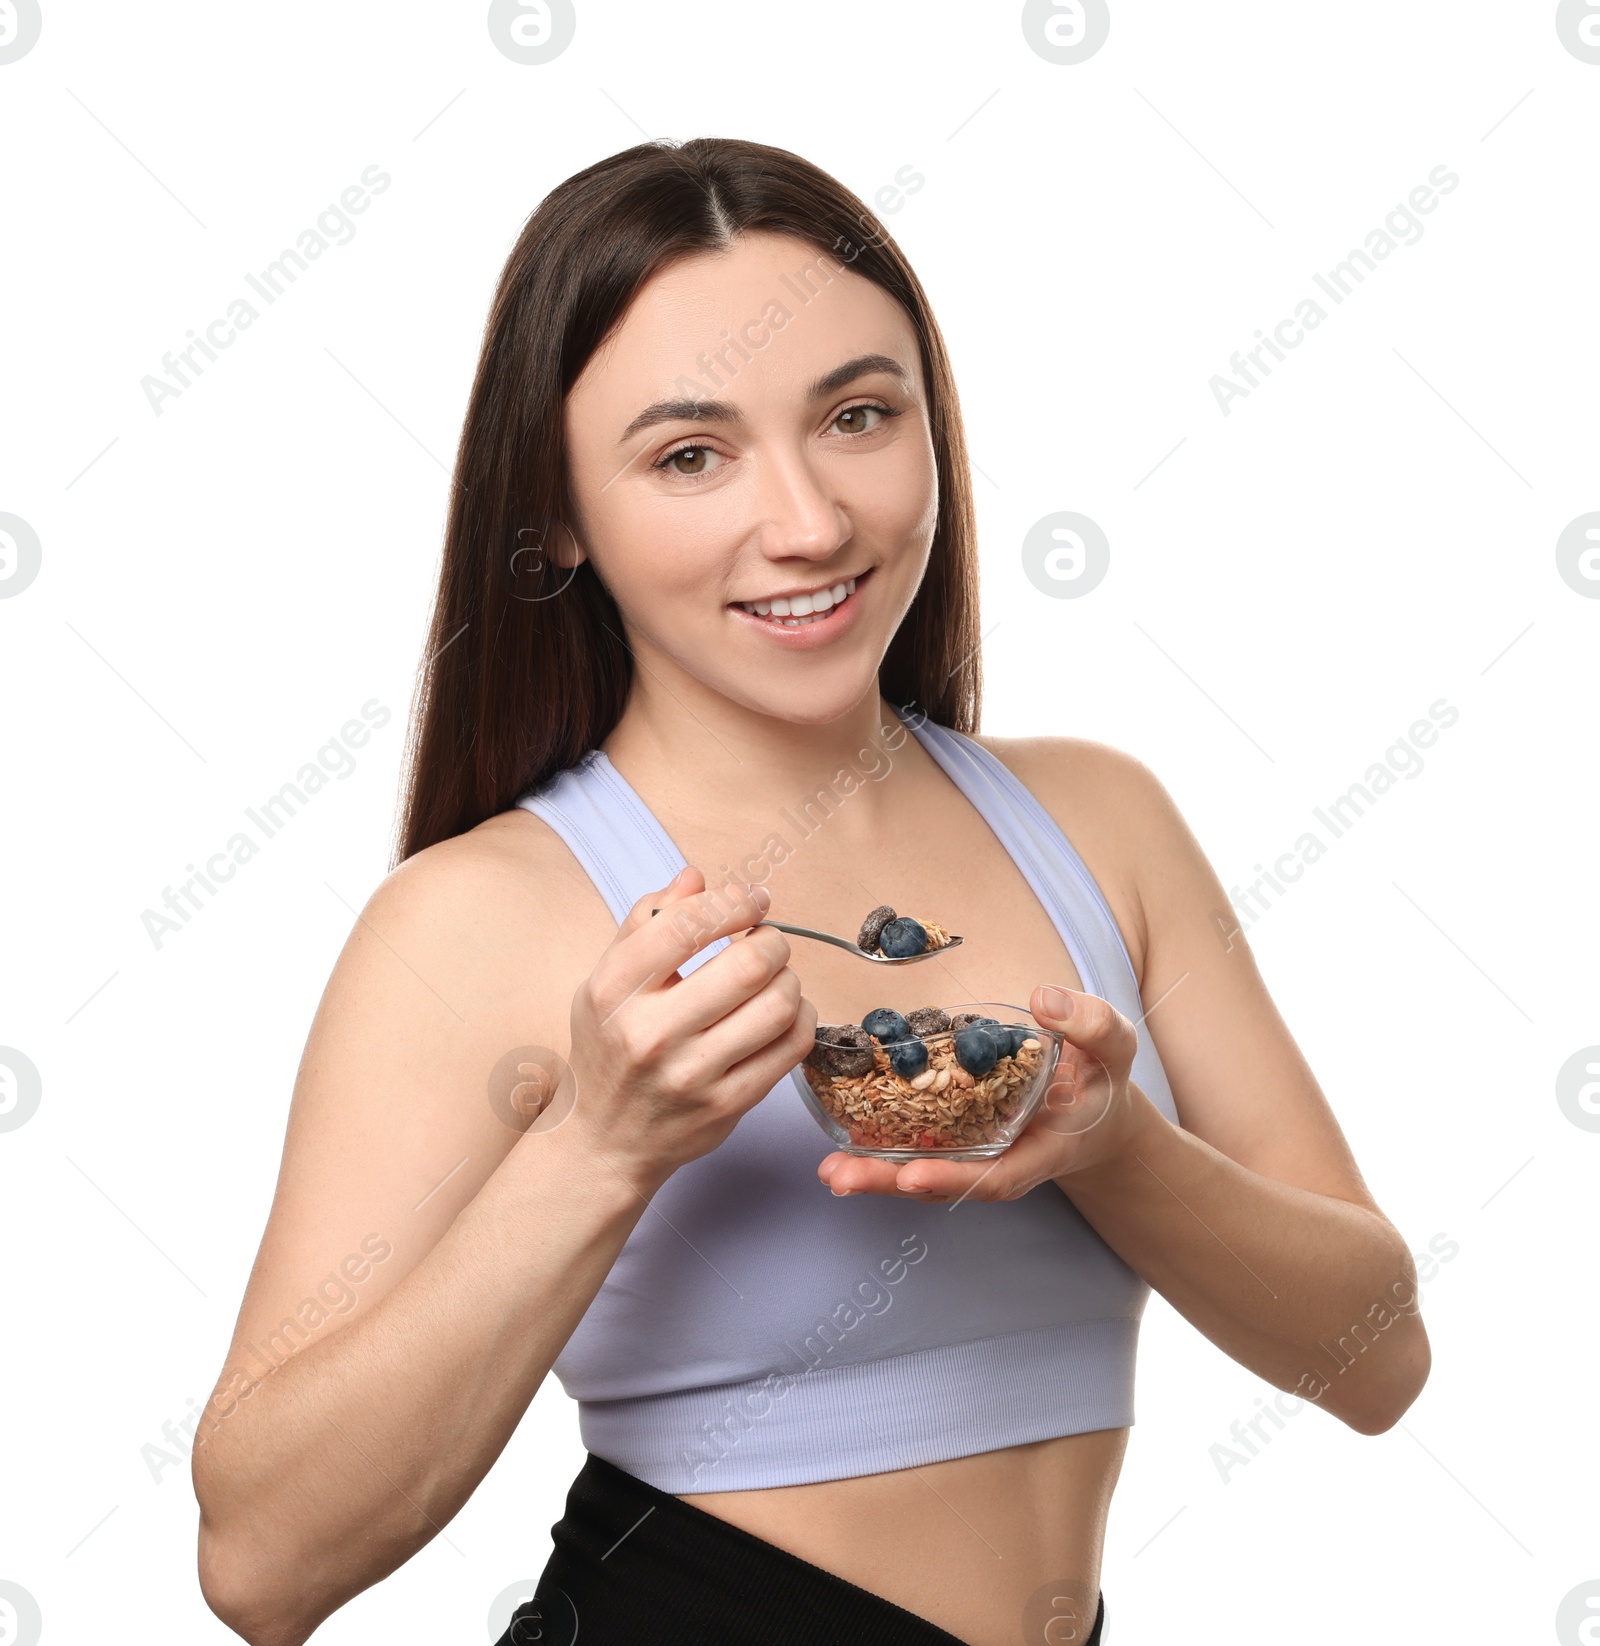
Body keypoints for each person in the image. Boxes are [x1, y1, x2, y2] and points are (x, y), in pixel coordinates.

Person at [191, 137, 1430, 1646]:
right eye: (690, 454)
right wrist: (599, 1141)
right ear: (561, 512)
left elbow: (1378, 1359)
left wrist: (1114, 1148)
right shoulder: (479, 915)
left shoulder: (1099, 819)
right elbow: (260, 1565)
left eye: (857, 417)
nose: (809, 522)